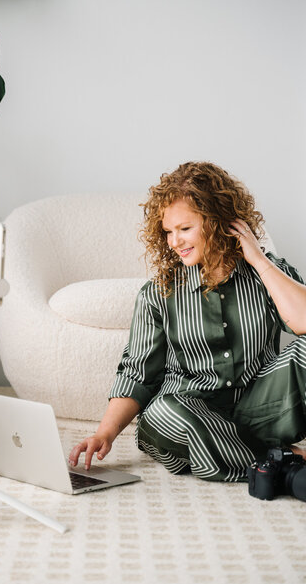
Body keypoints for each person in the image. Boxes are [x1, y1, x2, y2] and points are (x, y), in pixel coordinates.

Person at [68, 161, 306, 482]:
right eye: (168, 231)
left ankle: (255, 458)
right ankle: (283, 462)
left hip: (257, 411)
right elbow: (137, 373)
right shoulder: (158, 294)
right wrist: (105, 434)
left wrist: (258, 260)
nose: (174, 241)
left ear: (219, 221)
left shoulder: (266, 272)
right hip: (187, 414)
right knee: (165, 412)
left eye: (184, 228)